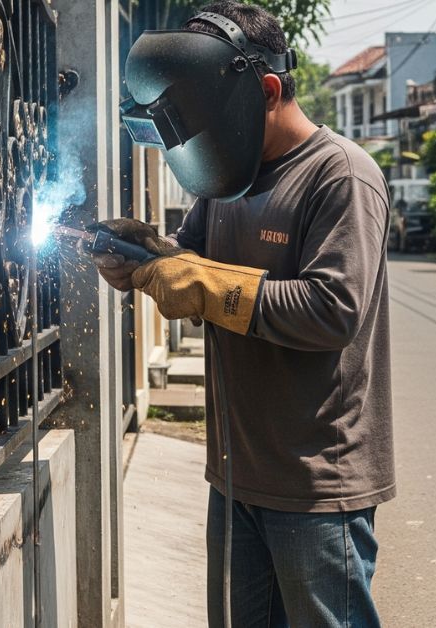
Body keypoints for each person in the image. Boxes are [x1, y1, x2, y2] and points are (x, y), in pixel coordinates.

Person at [95, 3, 393, 626]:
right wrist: (146, 256)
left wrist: (196, 279)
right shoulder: (227, 183)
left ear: (267, 90)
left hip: (316, 486)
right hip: (235, 475)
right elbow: (194, 265)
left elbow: (333, 310)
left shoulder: (340, 176)